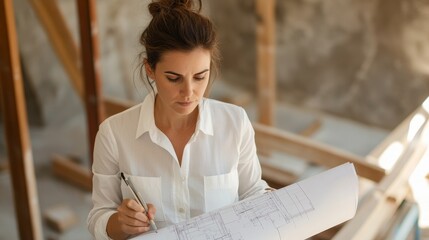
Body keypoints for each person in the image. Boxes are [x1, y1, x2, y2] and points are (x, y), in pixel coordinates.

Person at [87, 0, 271, 239]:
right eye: (174, 78)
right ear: (150, 70)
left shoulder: (235, 123)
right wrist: (117, 223)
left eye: (200, 77)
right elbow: (98, 216)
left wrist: (273, 203)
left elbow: (252, 192)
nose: (189, 92)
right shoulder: (114, 134)